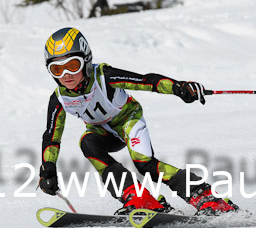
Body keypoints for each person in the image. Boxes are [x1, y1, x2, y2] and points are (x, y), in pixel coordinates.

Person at [38, 27, 238, 215]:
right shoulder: (59, 98)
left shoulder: (104, 77)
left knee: (145, 165)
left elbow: (147, 81)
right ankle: (138, 198)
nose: (66, 75)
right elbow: (51, 137)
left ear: (87, 60)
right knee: (87, 142)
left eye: (73, 65)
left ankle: (205, 197)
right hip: (103, 132)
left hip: (128, 121)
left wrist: (179, 87)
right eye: (57, 69)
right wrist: (48, 168)